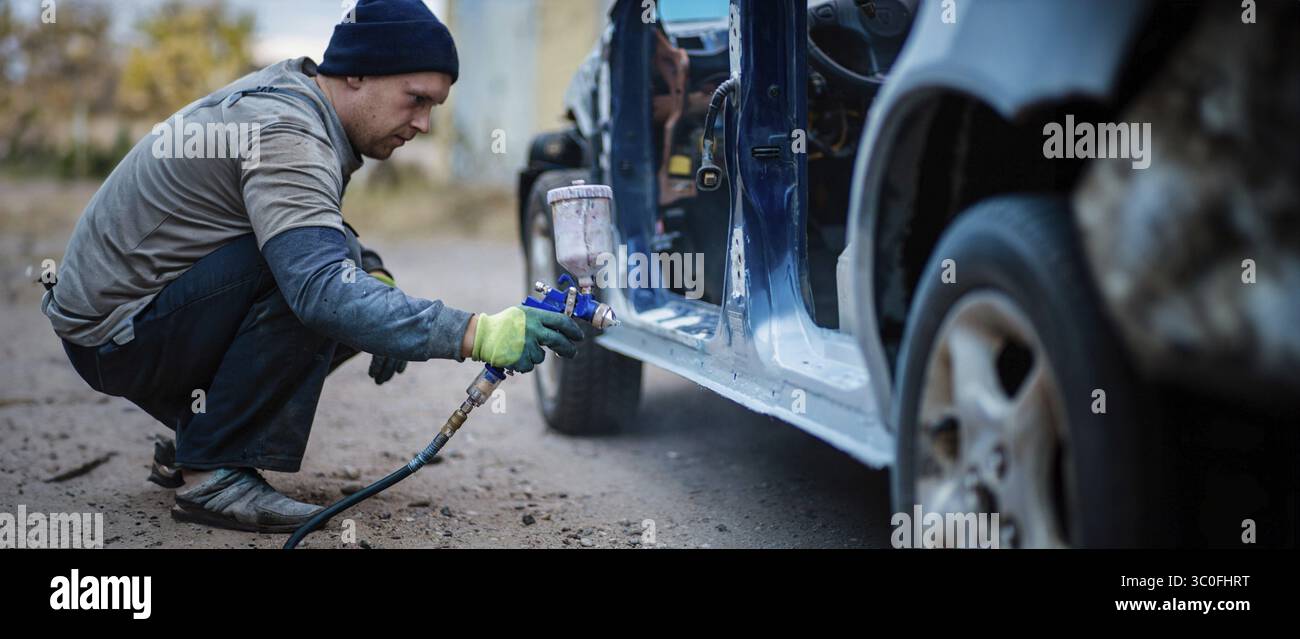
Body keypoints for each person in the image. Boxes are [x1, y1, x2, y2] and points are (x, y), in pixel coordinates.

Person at [41, 0, 583, 533]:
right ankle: (211, 473)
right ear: (357, 74)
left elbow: (317, 231)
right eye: (415, 99)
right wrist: (478, 332)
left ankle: (198, 439)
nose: (422, 123)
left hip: (129, 322)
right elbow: (319, 287)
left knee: (345, 275)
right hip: (117, 337)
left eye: (433, 107)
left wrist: (374, 277)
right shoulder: (287, 133)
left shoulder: (300, 104)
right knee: (319, 285)